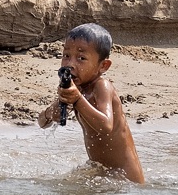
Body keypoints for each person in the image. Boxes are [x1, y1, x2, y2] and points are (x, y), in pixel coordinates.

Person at [38, 23, 145, 184]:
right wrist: (50, 113)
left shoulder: (102, 86)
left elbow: (106, 126)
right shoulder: (76, 88)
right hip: (103, 172)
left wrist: (77, 100)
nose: (70, 64)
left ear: (103, 66)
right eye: (66, 55)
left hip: (125, 178)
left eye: (81, 58)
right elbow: (42, 123)